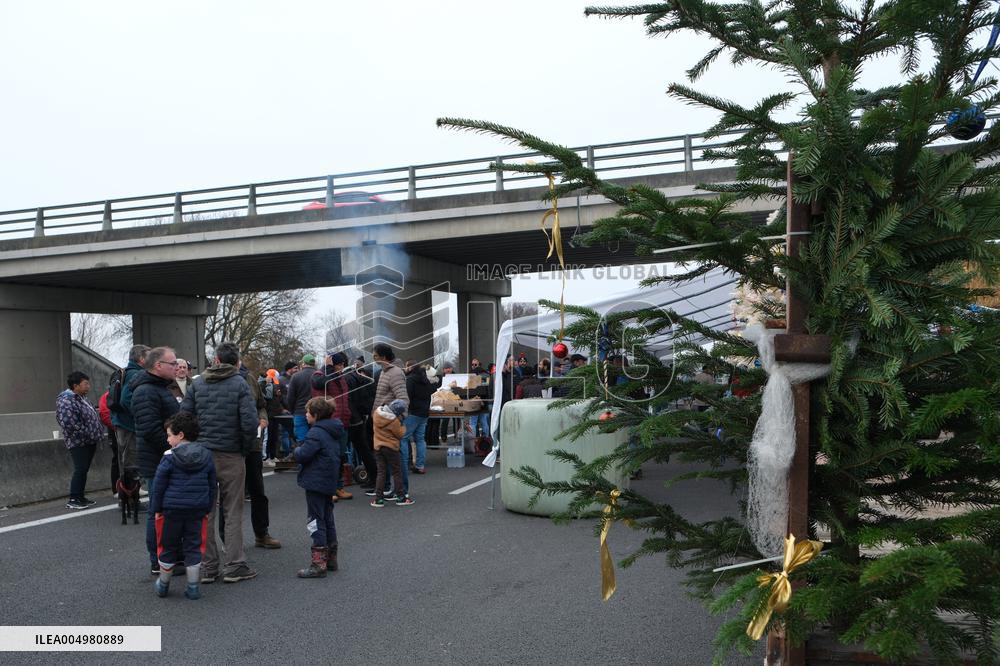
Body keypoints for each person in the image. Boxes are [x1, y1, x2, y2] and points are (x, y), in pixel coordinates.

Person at [180, 341, 259, 585]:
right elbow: (249, 422)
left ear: (215, 360)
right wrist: (244, 449)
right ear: (236, 362)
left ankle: (208, 566)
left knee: (205, 511)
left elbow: (184, 416)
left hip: (202, 454)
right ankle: (234, 565)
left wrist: (196, 443)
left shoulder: (198, 383)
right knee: (232, 511)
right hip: (231, 454)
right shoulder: (239, 384)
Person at [150, 411, 216, 600]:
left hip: (171, 510)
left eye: (170, 435)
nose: (168, 439)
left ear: (180, 435)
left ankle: (163, 584)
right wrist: (207, 506)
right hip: (197, 510)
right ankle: (193, 587)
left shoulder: (169, 457)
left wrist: (156, 509)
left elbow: (159, 486)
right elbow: (212, 484)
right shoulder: (206, 455)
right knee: (194, 547)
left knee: (168, 546)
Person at [131, 347, 182, 574]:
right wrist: (175, 448)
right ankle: (159, 560)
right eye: (172, 363)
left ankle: (171, 555)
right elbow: (150, 429)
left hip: (165, 457)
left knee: (169, 509)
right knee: (158, 510)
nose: (177, 367)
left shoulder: (159, 388)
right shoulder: (146, 392)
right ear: (158, 366)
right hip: (158, 460)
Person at [293, 397, 344, 578]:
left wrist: (297, 450)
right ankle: (331, 558)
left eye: (307, 412)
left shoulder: (315, 433)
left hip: (315, 480)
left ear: (315, 415)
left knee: (315, 520)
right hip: (329, 480)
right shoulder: (334, 430)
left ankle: (318, 563)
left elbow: (304, 454)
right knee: (328, 517)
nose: (305, 415)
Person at [237, 362, 281, 548]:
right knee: (229, 496)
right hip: (230, 446)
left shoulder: (250, 379)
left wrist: (263, 417)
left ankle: (262, 534)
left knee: (258, 492)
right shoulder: (214, 381)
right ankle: (228, 541)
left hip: (253, 444)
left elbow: (261, 404)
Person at [55, 371, 106, 510]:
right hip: (79, 442)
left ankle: (80, 497)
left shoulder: (81, 398)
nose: (88, 386)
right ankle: (73, 498)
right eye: (85, 384)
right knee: (80, 469)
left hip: (89, 440)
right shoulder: (66, 400)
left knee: (84, 470)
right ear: (75, 385)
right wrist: (87, 434)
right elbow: (69, 423)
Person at [311, 352, 353, 501]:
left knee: (340, 457)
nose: (341, 368)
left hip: (342, 422)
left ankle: (338, 486)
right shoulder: (319, 375)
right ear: (331, 364)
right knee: (328, 458)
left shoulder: (341, 377)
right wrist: (328, 368)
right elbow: (319, 384)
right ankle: (328, 490)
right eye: (339, 365)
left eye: (343, 365)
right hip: (327, 423)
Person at [110, 344, 150, 479]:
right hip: (128, 424)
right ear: (141, 358)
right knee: (130, 460)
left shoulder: (127, 371)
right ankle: (130, 492)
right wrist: (141, 415)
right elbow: (126, 399)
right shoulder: (136, 374)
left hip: (122, 421)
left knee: (125, 458)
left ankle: (127, 492)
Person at [370, 399, 413, 507]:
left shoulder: (376, 414)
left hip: (378, 447)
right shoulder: (394, 421)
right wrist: (403, 425)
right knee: (396, 472)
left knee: (381, 472)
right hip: (391, 448)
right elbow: (400, 434)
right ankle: (401, 497)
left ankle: (378, 499)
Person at [404, 364, 435, 475]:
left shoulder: (410, 380)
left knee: (404, 438)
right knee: (420, 440)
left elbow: (407, 396)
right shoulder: (426, 381)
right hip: (424, 413)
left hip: (412, 413)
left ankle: (404, 466)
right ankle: (420, 466)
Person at [286, 354, 317, 443]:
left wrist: (293, 411)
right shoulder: (319, 375)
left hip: (300, 412)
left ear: (303, 363)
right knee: (316, 440)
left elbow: (290, 397)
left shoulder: (296, 376)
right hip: (317, 413)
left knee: (302, 442)